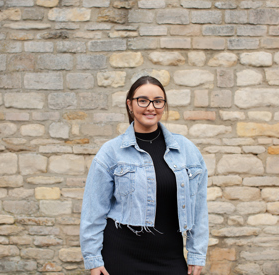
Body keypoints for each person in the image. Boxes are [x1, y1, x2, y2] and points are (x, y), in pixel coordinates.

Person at [80, 76, 209, 275]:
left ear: (164, 105)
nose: (151, 107)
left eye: (158, 101)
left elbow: (199, 208)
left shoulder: (186, 150)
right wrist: (93, 259)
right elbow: (93, 211)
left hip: (169, 257)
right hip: (121, 257)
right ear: (130, 105)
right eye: (143, 100)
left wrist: (196, 254)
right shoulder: (111, 152)